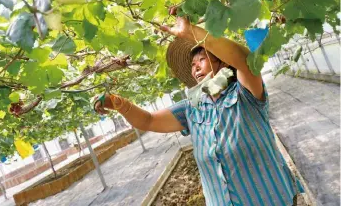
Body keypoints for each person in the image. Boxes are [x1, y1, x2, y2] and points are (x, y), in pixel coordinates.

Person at [94, 17, 303, 205]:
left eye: (201, 59)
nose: (195, 68)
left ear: (222, 62)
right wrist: (119, 104)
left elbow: (246, 63)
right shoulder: (192, 108)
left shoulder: (244, 94)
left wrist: (192, 33)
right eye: (192, 64)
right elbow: (148, 121)